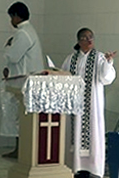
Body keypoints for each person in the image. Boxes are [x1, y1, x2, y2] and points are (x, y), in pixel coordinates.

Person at [61, 28, 116, 178]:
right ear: (79, 41)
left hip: (92, 107)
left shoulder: (99, 58)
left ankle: (91, 168)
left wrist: (109, 62)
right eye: (85, 37)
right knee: (75, 134)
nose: (89, 40)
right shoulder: (70, 59)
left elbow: (106, 78)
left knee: (92, 135)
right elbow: (63, 77)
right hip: (75, 106)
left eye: (91, 37)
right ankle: (76, 167)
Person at [1, 1, 44, 158]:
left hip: (25, 81)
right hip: (26, 78)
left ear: (16, 16)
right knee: (21, 116)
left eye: (11, 17)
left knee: (21, 116)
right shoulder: (28, 31)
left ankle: (22, 151)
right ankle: (20, 150)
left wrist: (7, 46)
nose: (11, 21)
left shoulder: (22, 33)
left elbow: (13, 57)